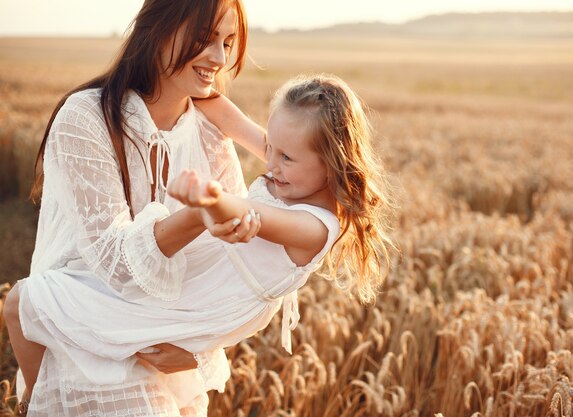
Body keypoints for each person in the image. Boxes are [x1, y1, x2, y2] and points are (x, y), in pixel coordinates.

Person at [6, 73, 396, 414]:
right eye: (270, 147)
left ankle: (32, 407)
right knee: (35, 303)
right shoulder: (292, 170)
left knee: (36, 303)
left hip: (198, 305)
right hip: (197, 277)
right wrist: (186, 76)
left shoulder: (315, 228)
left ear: (331, 162)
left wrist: (208, 197)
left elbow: (248, 214)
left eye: (285, 156)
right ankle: (35, 404)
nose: (269, 161)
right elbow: (225, 114)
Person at [2, 0, 266, 415]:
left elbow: (235, 265)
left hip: (166, 350)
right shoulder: (87, 118)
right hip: (83, 342)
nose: (220, 57)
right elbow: (117, 265)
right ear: (157, 28)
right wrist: (199, 214)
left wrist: (199, 349)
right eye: (204, 38)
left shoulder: (211, 132)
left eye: (228, 42)